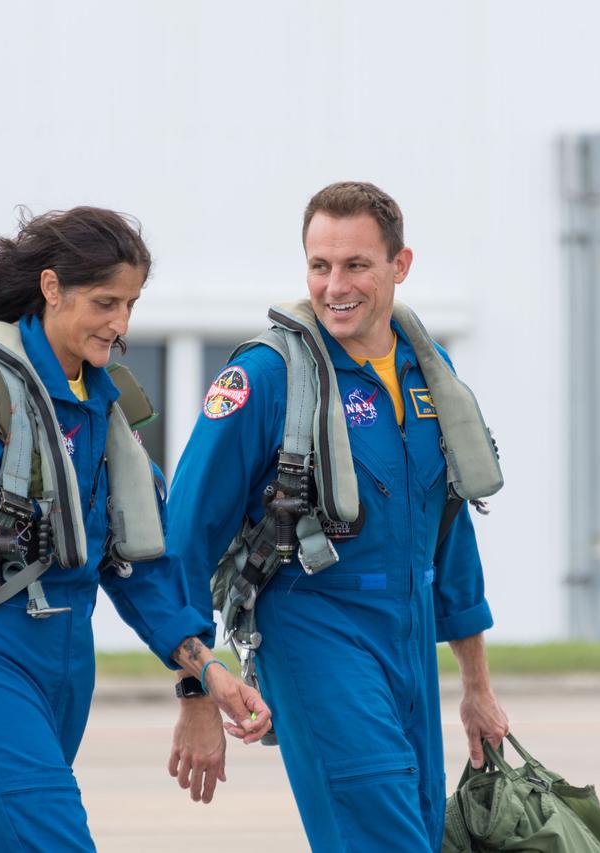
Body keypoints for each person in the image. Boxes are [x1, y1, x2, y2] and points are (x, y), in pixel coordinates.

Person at [0, 206, 270, 853]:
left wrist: (205, 669)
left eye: (131, 304)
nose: (121, 324)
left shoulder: (103, 408)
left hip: (65, 662)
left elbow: (134, 563)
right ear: (52, 288)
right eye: (105, 302)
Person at [166, 182, 509, 851]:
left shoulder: (429, 372)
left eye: (355, 264)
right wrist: (195, 686)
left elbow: (448, 533)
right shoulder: (268, 376)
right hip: (316, 628)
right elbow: (184, 538)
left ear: (399, 265)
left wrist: (476, 687)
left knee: (419, 835)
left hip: (407, 642)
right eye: (319, 265)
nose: (334, 285)